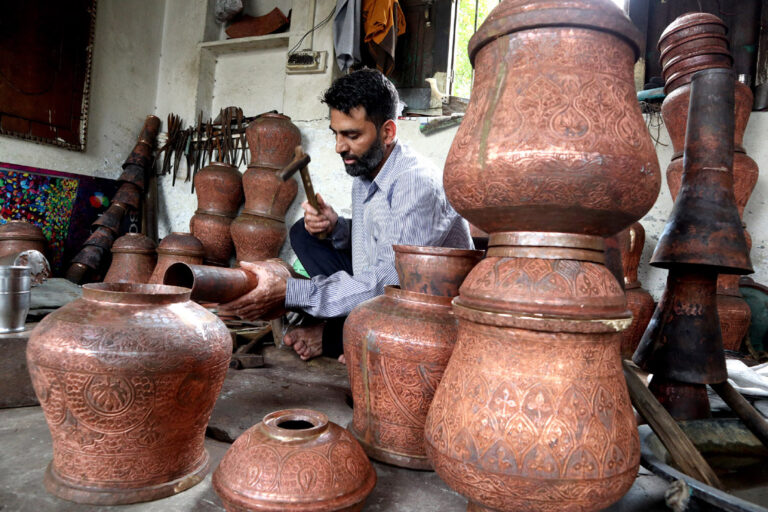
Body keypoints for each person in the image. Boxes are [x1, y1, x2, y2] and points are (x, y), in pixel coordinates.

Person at [220, 69, 472, 362]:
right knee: (304, 232)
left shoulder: (415, 185)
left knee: (301, 294)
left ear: (388, 132)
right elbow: (376, 241)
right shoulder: (364, 172)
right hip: (384, 282)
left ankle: (333, 336)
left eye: (352, 135)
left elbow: (388, 284)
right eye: (336, 134)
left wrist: (292, 293)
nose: (340, 147)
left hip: (422, 306)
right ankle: (340, 327)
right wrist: (336, 226)